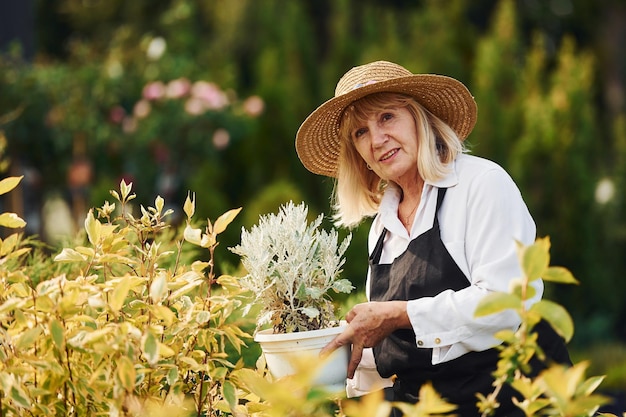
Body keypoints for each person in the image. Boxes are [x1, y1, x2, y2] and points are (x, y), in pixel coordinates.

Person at [295, 61, 571, 416]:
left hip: (512, 398)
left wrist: (398, 313)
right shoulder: (382, 228)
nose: (377, 140)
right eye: (360, 132)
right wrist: (316, 370)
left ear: (419, 117)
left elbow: (506, 302)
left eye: (386, 117)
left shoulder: (481, 184)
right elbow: (392, 348)